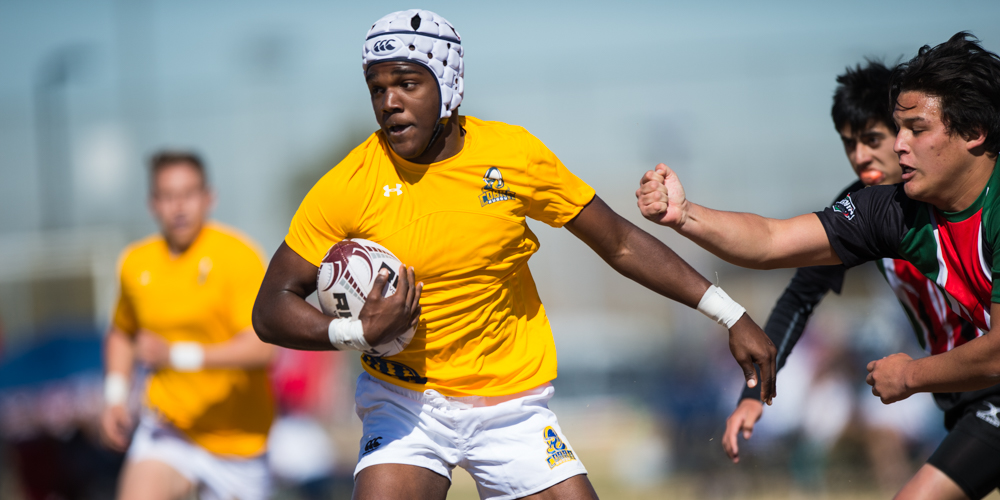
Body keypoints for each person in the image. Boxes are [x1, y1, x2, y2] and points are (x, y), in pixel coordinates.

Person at [252, 9, 777, 500]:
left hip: (510, 404)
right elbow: (271, 305)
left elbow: (618, 241)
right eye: (377, 88)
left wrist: (729, 315)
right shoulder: (349, 183)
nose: (390, 102)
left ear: (448, 83)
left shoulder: (512, 155)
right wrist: (357, 333)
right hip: (404, 401)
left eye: (407, 84)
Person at [637, 32, 1000, 500]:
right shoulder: (887, 209)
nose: (894, 147)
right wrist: (685, 214)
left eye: (912, 130)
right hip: (968, 393)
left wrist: (911, 374)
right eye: (896, 129)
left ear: (973, 131)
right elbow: (771, 242)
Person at [101, 151, 276, 500]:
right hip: (168, 432)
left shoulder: (238, 256)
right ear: (153, 203)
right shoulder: (136, 264)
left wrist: (177, 356)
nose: (179, 207)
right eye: (167, 196)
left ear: (209, 197)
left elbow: (265, 348)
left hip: (239, 441)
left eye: (189, 194)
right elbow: (122, 331)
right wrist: (116, 398)